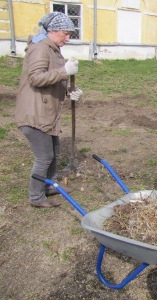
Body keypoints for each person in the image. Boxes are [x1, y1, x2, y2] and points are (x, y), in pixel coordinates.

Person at [15, 12, 83, 208]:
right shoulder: (40, 49)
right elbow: (35, 78)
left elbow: (52, 81)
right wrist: (64, 71)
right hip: (34, 114)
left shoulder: (53, 49)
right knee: (44, 156)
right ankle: (36, 197)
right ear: (53, 31)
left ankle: (50, 186)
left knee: (54, 151)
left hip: (46, 112)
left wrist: (71, 92)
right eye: (66, 34)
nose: (68, 38)